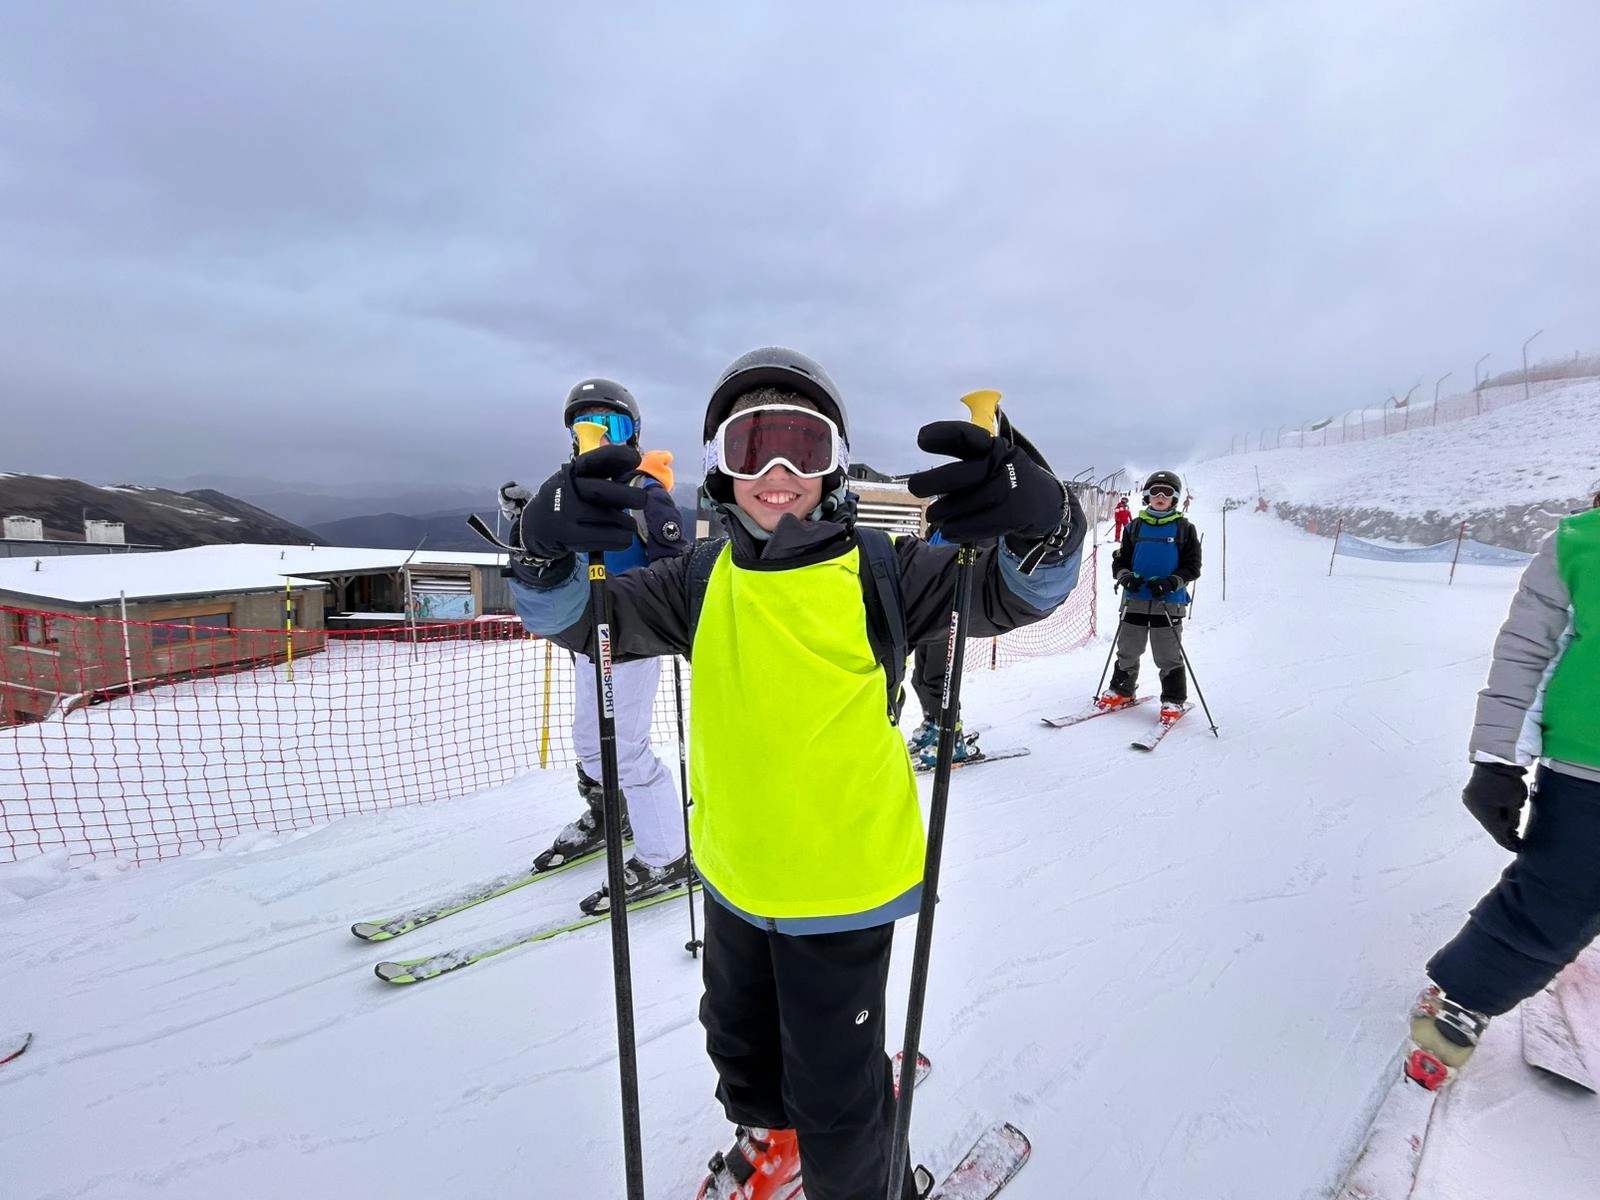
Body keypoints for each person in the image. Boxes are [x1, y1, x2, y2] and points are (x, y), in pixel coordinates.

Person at [506, 347, 1085, 1200]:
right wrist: (541, 555)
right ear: (719, 466)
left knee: (835, 1091)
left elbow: (1016, 594)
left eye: (803, 447)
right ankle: (774, 1136)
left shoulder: (886, 572)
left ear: (834, 464)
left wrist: (1051, 524)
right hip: (734, 873)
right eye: (753, 447)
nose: (777, 474)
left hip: (843, 886)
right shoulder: (700, 579)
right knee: (737, 1045)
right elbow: (581, 619)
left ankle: (863, 1182)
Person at [1406, 483, 1600, 1089]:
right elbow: (1527, 653)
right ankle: (1464, 997)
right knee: (1559, 897)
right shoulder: (1580, 543)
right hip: (1588, 769)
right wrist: (1497, 762)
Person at [500, 378, 692, 915]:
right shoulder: (572, 488)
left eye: (613, 424)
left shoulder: (646, 491)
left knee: (625, 748)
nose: (599, 435)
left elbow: (675, 564)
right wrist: (527, 520)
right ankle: (613, 814)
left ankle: (667, 855)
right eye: (586, 424)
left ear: (634, 433)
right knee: (589, 741)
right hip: (588, 636)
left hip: (631, 638)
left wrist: (667, 586)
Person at [1102, 470, 1202, 722]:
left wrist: (1171, 582)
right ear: (1146, 495)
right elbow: (1120, 560)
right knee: (1128, 648)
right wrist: (1125, 576)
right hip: (1135, 599)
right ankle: (1122, 690)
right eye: (1155, 491)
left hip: (1168, 602)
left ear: (1175, 497)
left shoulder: (1184, 529)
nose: (1160, 496)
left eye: (1167, 492)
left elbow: (1192, 567)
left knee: (1167, 653)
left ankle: (1173, 700)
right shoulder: (1135, 526)